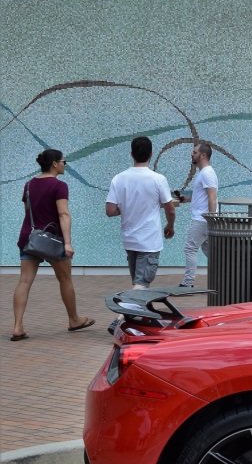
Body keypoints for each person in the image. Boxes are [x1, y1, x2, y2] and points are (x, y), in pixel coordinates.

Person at [12, 149, 93, 339]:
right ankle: (74, 319)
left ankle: (17, 327)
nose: (65, 164)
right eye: (64, 161)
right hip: (52, 240)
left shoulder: (29, 185)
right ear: (55, 164)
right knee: (65, 279)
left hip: (30, 238)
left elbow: (28, 211)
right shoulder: (59, 186)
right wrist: (68, 243)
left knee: (24, 281)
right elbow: (63, 214)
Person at [106, 136, 176, 289]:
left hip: (129, 239)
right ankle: (123, 313)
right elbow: (170, 209)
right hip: (149, 240)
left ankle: (137, 311)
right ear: (151, 154)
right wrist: (170, 226)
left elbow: (110, 210)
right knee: (141, 283)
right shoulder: (158, 179)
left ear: (132, 154)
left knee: (138, 282)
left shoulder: (118, 179)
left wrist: (126, 207)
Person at [175, 141, 218, 288]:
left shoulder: (207, 173)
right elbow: (203, 196)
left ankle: (188, 283)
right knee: (212, 253)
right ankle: (224, 275)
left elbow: (212, 197)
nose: (191, 154)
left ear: (203, 155)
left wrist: (212, 220)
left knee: (190, 248)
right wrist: (186, 199)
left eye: (194, 152)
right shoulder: (203, 173)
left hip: (202, 219)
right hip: (205, 219)